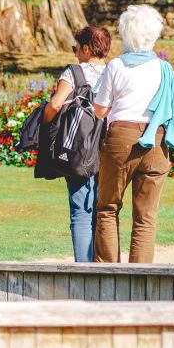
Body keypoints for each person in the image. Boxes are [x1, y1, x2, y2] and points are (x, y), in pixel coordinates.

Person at [93, 4, 174, 264]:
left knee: (107, 208)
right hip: (155, 143)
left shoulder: (115, 66)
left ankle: (107, 274)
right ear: (154, 34)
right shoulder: (164, 69)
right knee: (145, 217)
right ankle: (140, 280)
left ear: (125, 33)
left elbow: (101, 109)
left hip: (120, 140)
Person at [42, 24, 112, 262]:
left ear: (85, 48)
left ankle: (84, 270)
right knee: (105, 212)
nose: (75, 53)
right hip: (109, 148)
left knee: (81, 211)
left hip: (80, 149)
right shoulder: (115, 71)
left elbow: (55, 105)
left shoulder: (74, 72)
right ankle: (104, 266)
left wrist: (43, 124)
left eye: (76, 48)